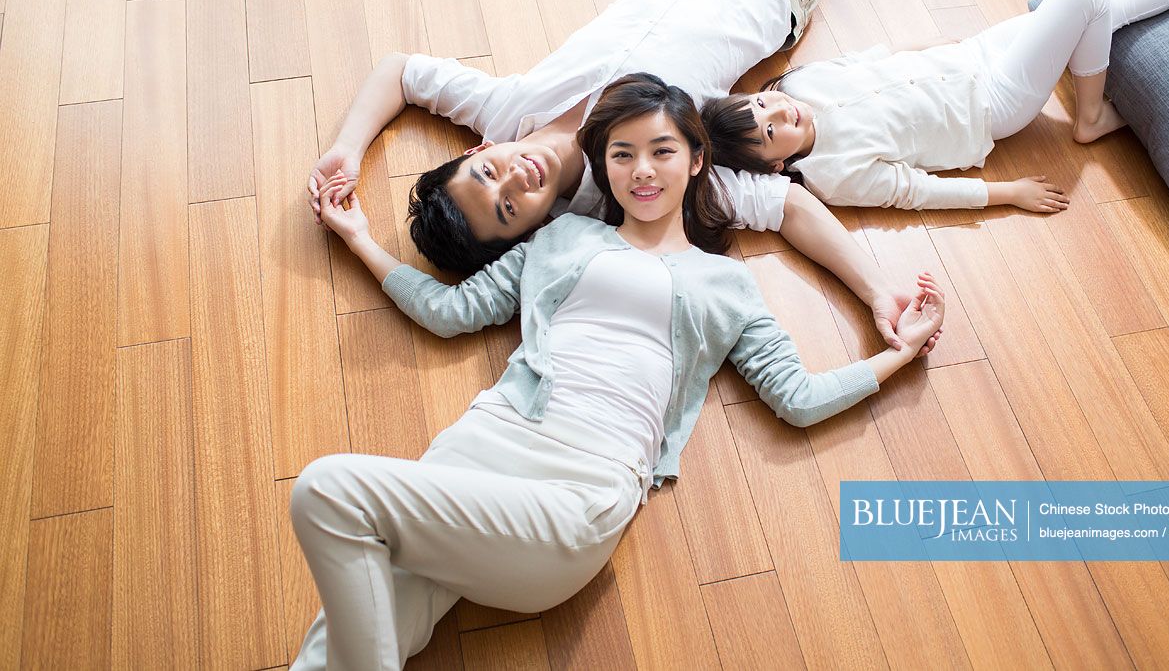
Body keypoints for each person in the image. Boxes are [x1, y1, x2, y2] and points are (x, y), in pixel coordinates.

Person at [291, 73, 944, 669]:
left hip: (578, 494)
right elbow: (451, 308)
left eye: (661, 150)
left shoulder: (726, 285)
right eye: (622, 154)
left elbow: (796, 397)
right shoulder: (560, 238)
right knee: (331, 647)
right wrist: (358, 238)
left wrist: (897, 353)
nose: (642, 169)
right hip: (479, 446)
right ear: (605, 167)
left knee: (325, 492)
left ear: (694, 160)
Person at [305, 0, 935, 353]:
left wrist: (347, 148)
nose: (513, 180)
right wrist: (879, 292)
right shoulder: (631, 187)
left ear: (483, 148)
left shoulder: (504, 108)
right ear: (528, 230)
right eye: (506, 208)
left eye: (487, 173)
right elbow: (787, 209)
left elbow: (399, 71)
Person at [701, 0, 1169, 213]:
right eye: (773, 131)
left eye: (760, 106)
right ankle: (1089, 117)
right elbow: (917, 192)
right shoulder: (832, 176)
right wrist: (1006, 193)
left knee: (1101, 5)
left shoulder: (799, 85)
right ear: (776, 162)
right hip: (993, 103)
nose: (779, 112)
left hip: (973, 55)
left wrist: (949, 42)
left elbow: (882, 54)